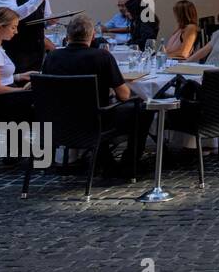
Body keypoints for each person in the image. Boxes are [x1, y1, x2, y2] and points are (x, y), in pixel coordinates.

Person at [42, 13, 152, 173]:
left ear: (68, 36)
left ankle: (103, 156)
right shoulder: (102, 57)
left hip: (59, 120)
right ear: (93, 35)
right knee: (143, 110)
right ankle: (130, 162)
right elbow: (124, 95)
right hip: (96, 120)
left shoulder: (52, 57)